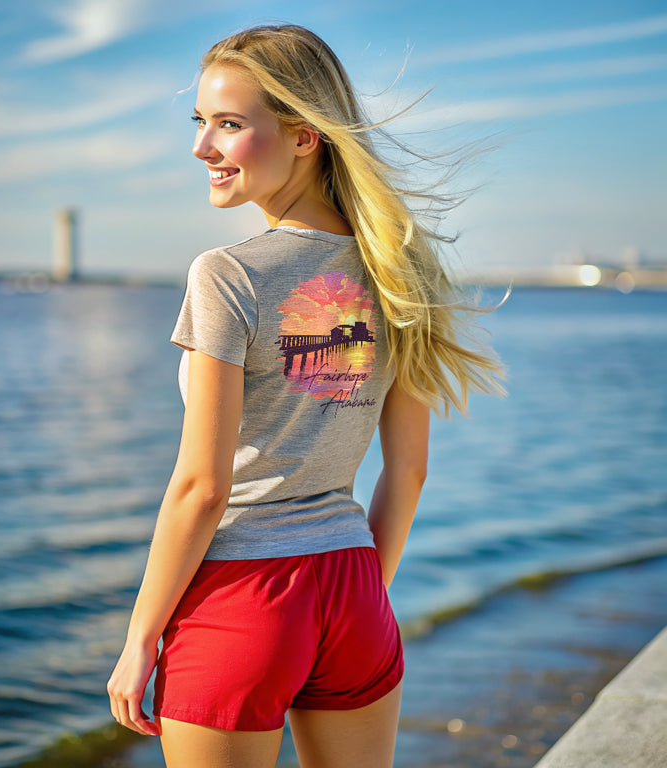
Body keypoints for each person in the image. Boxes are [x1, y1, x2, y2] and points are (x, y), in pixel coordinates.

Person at [107, 23, 503, 768]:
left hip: (242, 592)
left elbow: (202, 487)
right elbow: (410, 471)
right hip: (354, 586)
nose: (203, 148)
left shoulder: (227, 275)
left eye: (229, 124)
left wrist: (139, 639)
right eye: (200, 122)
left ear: (303, 136)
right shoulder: (399, 271)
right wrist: (360, 598)